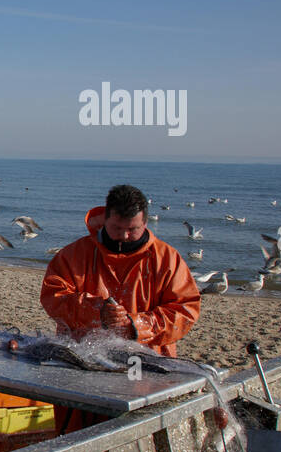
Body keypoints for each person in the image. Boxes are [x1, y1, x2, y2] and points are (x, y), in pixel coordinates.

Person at [41, 183, 201, 432]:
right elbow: (53, 297)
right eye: (117, 228)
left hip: (148, 369)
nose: (125, 236)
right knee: (77, 435)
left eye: (133, 229)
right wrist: (95, 310)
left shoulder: (167, 259)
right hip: (81, 364)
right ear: (105, 219)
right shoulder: (73, 255)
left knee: (141, 435)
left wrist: (136, 326)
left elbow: (185, 310)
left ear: (146, 223)